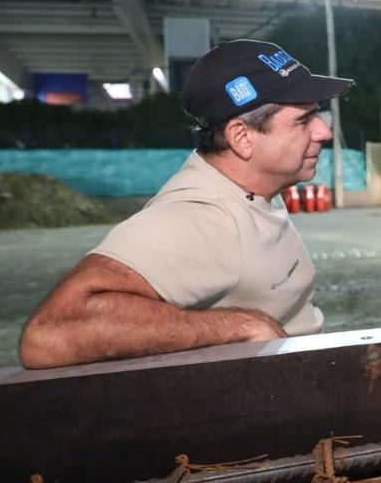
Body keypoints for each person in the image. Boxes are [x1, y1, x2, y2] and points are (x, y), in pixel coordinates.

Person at [18, 39, 349, 368]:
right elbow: (50, 334)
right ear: (242, 138)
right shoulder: (202, 216)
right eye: (303, 120)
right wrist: (241, 327)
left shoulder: (253, 189)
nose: (323, 131)